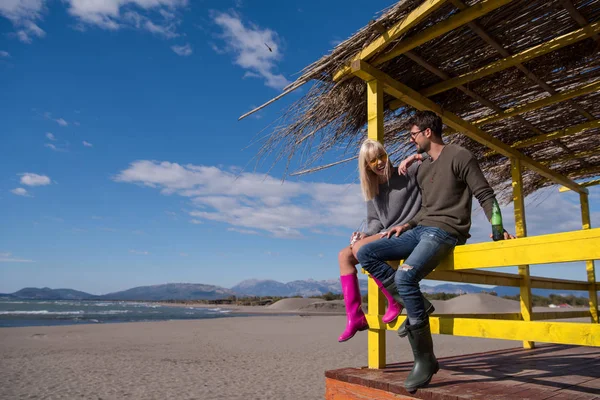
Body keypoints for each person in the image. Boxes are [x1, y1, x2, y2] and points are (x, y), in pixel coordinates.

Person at [356, 111, 514, 392]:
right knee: (366, 253)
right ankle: (417, 305)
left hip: (445, 231)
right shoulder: (425, 166)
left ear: (427, 132)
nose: (411, 140)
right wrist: (406, 225)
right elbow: (425, 209)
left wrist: (498, 226)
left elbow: (485, 194)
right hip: (420, 229)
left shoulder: (460, 156)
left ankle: (425, 359)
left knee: (405, 277)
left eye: (413, 134)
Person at [337, 138, 423, 343]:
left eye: (381, 156)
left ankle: (394, 299)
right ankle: (355, 318)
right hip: (386, 234)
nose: (379, 162)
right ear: (366, 165)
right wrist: (365, 234)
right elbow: (375, 221)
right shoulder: (372, 187)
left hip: (410, 231)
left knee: (360, 249)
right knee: (344, 256)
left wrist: (415, 156)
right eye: (372, 160)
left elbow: (436, 157)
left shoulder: (406, 170)